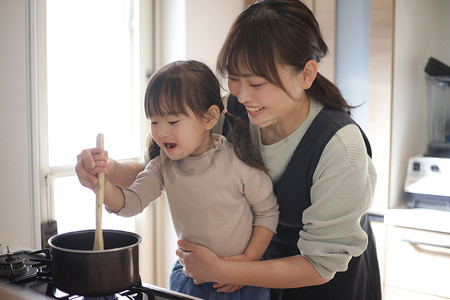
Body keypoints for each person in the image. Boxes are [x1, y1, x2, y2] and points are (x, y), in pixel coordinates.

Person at [76, 1, 382, 299]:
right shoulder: (223, 112)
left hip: (318, 283)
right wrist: (106, 170)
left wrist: (224, 270)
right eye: (234, 78)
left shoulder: (340, 149)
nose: (243, 95)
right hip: (238, 273)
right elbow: (157, 170)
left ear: (306, 74)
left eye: (258, 83)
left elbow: (319, 265)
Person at [76, 60, 279, 300]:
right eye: (154, 121)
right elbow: (131, 202)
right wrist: (101, 184)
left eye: (172, 121)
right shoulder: (163, 164)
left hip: (241, 284)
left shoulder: (237, 161)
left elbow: (268, 213)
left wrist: (246, 263)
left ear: (209, 118)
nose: (161, 132)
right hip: (190, 278)